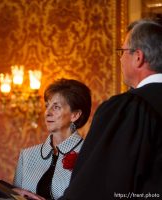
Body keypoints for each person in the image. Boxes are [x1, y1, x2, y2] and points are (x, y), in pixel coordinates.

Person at [61, 19, 162, 200]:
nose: (121, 58)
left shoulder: (129, 108)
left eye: (122, 52)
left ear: (138, 57)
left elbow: (98, 187)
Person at [13, 78, 92, 200]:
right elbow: (14, 197)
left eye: (56, 107)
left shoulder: (90, 155)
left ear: (75, 115)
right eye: (47, 106)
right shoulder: (27, 156)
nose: (47, 113)